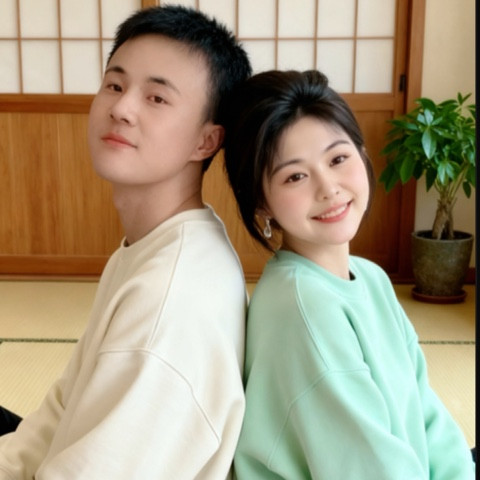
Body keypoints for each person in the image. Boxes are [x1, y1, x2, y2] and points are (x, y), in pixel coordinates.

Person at [0, 5, 251, 479]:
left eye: (156, 98)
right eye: (115, 85)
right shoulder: (155, 240)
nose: (121, 108)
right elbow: (63, 405)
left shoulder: (169, 302)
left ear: (205, 141)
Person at [222, 69, 475, 479]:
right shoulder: (304, 310)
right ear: (261, 204)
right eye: (295, 176)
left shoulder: (369, 276)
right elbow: (372, 469)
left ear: (362, 154)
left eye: (338, 159)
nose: (328, 188)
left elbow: (424, 409)